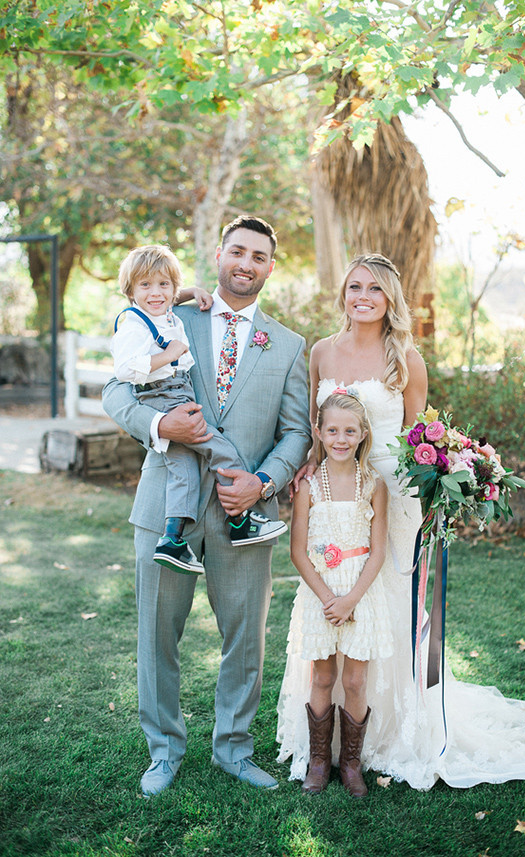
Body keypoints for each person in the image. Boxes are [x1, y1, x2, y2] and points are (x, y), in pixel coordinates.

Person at [277, 253, 525, 790]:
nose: (362, 297)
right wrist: (311, 468)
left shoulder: (405, 358)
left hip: (393, 500)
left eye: (375, 289)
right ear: (344, 293)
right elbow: (319, 427)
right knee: (329, 603)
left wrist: (435, 491)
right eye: (354, 286)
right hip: (333, 498)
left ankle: (387, 739)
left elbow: (415, 438)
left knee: (386, 613)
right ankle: (322, 748)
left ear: (390, 300)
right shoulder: (321, 351)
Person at [102, 216, 312, 796]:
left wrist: (264, 483)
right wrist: (159, 423)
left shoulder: (291, 346)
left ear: (272, 266)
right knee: (156, 634)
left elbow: (297, 433)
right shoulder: (169, 316)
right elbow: (116, 389)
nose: (246, 263)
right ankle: (164, 752)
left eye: (259, 256)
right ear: (219, 255)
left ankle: (234, 750)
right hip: (165, 506)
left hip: (243, 514)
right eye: (237, 251)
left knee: (245, 638)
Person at [111, 244, 288, 575]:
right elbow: (120, 377)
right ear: (218, 254)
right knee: (223, 453)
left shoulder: (168, 312)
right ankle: (242, 524)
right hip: (167, 398)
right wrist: (160, 422)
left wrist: (187, 291)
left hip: (176, 394)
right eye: (146, 285)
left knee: (185, 473)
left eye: (164, 285)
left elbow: (156, 297)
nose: (156, 292)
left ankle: (172, 539)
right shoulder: (136, 323)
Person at [289, 390, 391, 797]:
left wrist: (351, 599)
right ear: (319, 432)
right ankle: (318, 761)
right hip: (320, 590)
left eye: (350, 431)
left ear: (363, 434)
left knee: (354, 680)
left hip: (362, 593)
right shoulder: (309, 485)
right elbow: (298, 551)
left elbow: (379, 550)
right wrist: (328, 597)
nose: (341, 438)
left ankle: (350, 763)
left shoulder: (374, 484)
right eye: (332, 430)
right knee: (323, 675)